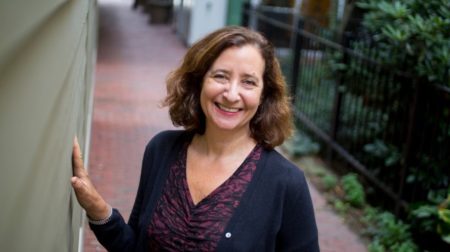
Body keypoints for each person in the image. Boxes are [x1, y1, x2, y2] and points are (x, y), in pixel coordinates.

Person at [71, 26, 319, 252]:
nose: (232, 94)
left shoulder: (285, 183)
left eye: (248, 82)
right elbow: (136, 247)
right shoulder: (162, 150)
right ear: (199, 81)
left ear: (264, 95)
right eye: (220, 76)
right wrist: (97, 209)